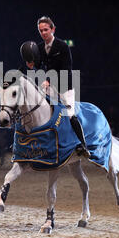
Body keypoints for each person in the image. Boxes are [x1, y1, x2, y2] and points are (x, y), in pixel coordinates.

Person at [20, 16, 90, 158]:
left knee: (69, 115)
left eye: (46, 30)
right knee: (36, 107)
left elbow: (66, 69)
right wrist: (31, 66)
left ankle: (83, 145)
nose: (43, 33)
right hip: (48, 87)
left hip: (65, 87)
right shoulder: (38, 48)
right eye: (41, 31)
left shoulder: (63, 46)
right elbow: (38, 68)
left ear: (53, 29)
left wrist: (49, 80)